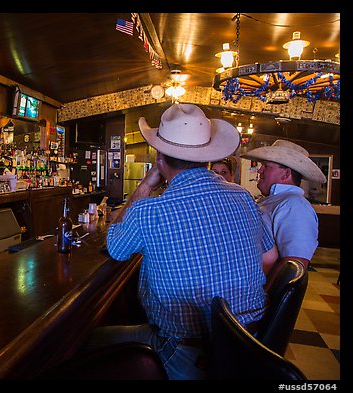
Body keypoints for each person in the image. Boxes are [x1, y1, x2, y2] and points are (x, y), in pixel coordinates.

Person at [86, 103, 275, 380]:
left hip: (187, 354)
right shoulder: (243, 197)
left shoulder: (149, 210)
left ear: (159, 158)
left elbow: (115, 247)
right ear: (207, 157)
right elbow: (269, 255)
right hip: (248, 346)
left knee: (91, 341)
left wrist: (146, 185)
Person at [241, 139, 326, 286]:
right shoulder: (278, 201)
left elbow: (295, 263)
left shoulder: (294, 205)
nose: (260, 171)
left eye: (266, 166)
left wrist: (267, 299)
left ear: (285, 173)